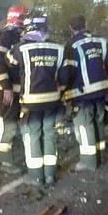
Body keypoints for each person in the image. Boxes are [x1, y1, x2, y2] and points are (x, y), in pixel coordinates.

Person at [6, 12, 64, 187]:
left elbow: (10, 63)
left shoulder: (19, 48)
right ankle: (51, 175)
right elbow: (64, 74)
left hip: (30, 102)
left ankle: (37, 177)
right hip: (53, 100)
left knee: (32, 136)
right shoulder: (58, 48)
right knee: (49, 135)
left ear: (28, 27)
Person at [59, 15, 108, 172]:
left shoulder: (71, 46)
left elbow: (68, 72)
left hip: (82, 93)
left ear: (71, 28)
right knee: (98, 122)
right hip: (102, 90)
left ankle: (89, 162)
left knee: (84, 125)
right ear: (86, 24)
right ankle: (100, 155)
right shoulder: (101, 42)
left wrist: (64, 91)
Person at [0, 5, 27, 175]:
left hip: (17, 89)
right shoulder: (5, 36)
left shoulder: (16, 35)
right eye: (24, 18)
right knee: (8, 125)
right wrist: (6, 88)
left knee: (17, 124)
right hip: (7, 89)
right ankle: (6, 163)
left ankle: (15, 159)